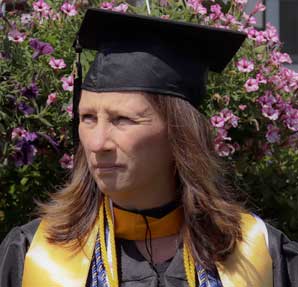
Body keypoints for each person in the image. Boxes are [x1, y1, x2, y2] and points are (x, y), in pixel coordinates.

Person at [1, 8, 298, 287]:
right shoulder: (32, 254)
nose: (96, 142)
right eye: (88, 118)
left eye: (123, 120)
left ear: (180, 135)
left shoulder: (259, 252)